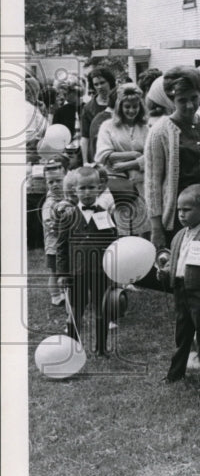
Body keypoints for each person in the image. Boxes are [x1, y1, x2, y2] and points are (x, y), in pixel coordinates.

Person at [145, 66, 200, 252]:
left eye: (194, 98)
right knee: (187, 274)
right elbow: (153, 183)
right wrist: (156, 227)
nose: (189, 106)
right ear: (171, 101)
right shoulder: (159, 132)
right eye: (182, 100)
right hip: (180, 219)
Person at [157, 185, 200, 391]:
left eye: (186, 210)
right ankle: (176, 372)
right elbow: (175, 260)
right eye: (179, 210)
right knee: (182, 333)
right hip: (181, 290)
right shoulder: (180, 235)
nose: (181, 214)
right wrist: (166, 272)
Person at [55, 166, 118, 355]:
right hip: (76, 273)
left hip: (101, 272)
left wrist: (114, 271)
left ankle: (101, 347)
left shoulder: (105, 215)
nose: (87, 192)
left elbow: (112, 245)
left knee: (102, 309)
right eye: (82, 188)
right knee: (76, 310)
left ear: (99, 188)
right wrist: (62, 274)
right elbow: (61, 248)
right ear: (75, 190)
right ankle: (72, 347)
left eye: (91, 187)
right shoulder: (68, 216)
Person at [93, 84, 151, 237]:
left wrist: (128, 164)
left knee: (143, 229)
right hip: (119, 186)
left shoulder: (145, 128)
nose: (131, 111)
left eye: (135, 106)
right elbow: (102, 155)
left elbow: (151, 156)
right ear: (120, 106)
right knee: (122, 228)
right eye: (127, 107)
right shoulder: (108, 126)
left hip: (141, 184)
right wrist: (133, 153)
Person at [41, 159, 69, 308]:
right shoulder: (49, 203)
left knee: (64, 270)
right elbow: (48, 223)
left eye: (58, 180)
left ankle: (64, 293)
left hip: (63, 243)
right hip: (53, 245)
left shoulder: (65, 197)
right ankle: (55, 296)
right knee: (54, 272)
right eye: (51, 182)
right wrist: (60, 226)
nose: (55, 185)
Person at [80, 66, 116, 163]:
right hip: (97, 155)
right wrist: (85, 162)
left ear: (110, 82)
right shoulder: (88, 108)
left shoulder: (119, 102)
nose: (99, 87)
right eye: (96, 84)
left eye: (102, 82)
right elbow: (85, 137)